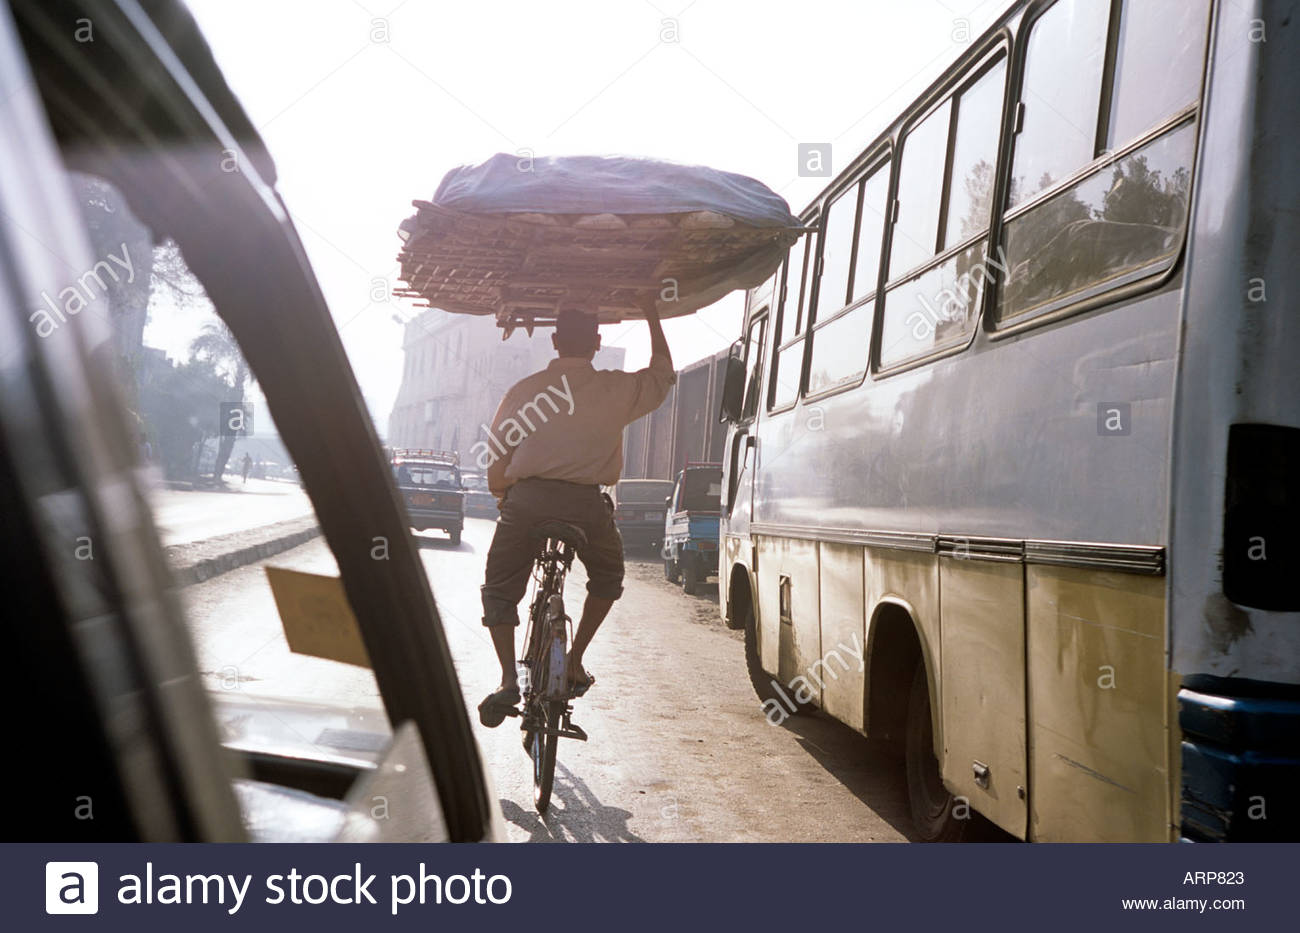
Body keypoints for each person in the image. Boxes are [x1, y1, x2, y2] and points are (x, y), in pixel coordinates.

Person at [477, 306, 674, 726]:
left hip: (526, 502)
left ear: (554, 341)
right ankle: (574, 661)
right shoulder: (615, 390)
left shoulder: (525, 390)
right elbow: (661, 376)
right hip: (586, 504)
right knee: (607, 577)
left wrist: (503, 497)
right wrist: (652, 315)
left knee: (498, 587)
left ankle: (508, 680)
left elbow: (498, 453)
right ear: (597, 343)